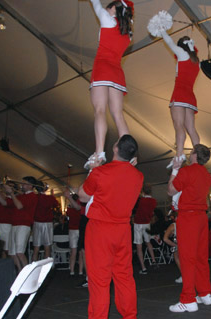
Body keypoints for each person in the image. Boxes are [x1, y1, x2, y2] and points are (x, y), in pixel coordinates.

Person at [78, 134, 143, 319]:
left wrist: (92, 170)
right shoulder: (138, 176)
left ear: (115, 149)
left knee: (99, 281)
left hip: (100, 229)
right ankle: (130, 316)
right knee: (124, 277)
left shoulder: (100, 172)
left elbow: (82, 196)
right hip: (123, 230)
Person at [82, 0, 134, 169]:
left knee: (99, 110)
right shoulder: (127, 32)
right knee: (118, 115)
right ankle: (130, 155)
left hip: (103, 68)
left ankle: (99, 152)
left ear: (114, 8)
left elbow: (95, 1)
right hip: (118, 73)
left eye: (109, 6)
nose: (106, 8)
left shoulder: (107, 19)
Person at [167, 144, 211, 312]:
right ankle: (205, 293)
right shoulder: (207, 175)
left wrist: (175, 170)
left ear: (194, 154)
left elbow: (171, 190)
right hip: (201, 217)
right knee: (201, 257)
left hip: (188, 217)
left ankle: (188, 299)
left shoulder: (186, 171)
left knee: (187, 258)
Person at [159, 28, 201, 168]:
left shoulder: (182, 54)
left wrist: (162, 30)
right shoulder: (196, 61)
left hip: (180, 94)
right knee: (191, 128)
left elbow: (170, 43)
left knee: (178, 126)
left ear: (181, 46)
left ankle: (179, 154)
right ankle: (199, 155)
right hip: (190, 96)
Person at [8, 177, 39, 272]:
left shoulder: (32, 196)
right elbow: (7, 203)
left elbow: (19, 206)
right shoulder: (21, 196)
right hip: (14, 224)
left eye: (24, 183)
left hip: (23, 225)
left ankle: (27, 273)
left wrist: (11, 193)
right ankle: (20, 273)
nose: (22, 185)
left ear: (30, 186)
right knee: (12, 253)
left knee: (20, 252)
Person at [133, 184, 158, 274]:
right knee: (148, 242)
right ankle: (153, 260)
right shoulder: (153, 201)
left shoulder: (140, 200)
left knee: (139, 246)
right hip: (147, 223)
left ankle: (143, 268)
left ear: (142, 191)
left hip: (138, 224)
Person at [32, 183, 59, 262]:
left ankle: (34, 267)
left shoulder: (35, 197)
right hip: (47, 223)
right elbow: (56, 204)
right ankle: (46, 270)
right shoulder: (49, 198)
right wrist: (52, 195)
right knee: (47, 247)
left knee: (36, 248)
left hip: (36, 223)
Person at [64, 190, 82, 276]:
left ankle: (71, 270)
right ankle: (80, 271)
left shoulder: (69, 209)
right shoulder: (80, 208)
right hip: (79, 229)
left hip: (72, 230)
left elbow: (67, 216)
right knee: (81, 252)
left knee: (73, 251)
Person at [163, 216, 182, 284]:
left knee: (177, 257)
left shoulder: (173, 225)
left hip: (179, 243)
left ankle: (184, 275)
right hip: (189, 243)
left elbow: (165, 239)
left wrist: (175, 245)